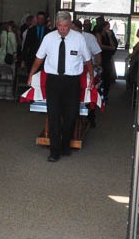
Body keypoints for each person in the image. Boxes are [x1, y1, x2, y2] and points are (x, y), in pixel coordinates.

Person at [27, 11, 92, 162]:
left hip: (72, 81)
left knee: (71, 115)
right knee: (54, 115)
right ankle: (54, 151)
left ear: (70, 25)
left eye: (65, 26)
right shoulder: (49, 38)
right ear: (56, 24)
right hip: (54, 81)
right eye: (60, 26)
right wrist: (31, 74)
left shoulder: (79, 39)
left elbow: (88, 59)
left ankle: (65, 145)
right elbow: (39, 58)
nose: (62, 29)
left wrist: (92, 77)